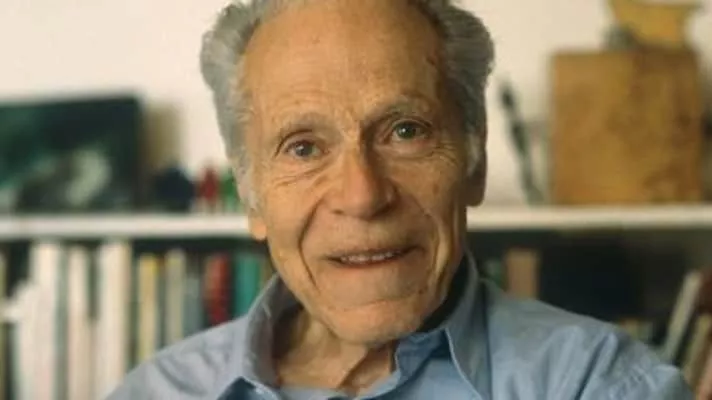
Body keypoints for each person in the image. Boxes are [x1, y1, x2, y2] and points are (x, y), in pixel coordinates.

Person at [109, 0, 693, 398]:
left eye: (406, 131)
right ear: (252, 198)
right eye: (303, 147)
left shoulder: (599, 384)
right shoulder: (157, 391)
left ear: (475, 162)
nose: (363, 196)